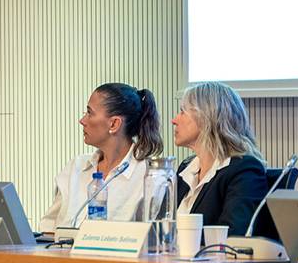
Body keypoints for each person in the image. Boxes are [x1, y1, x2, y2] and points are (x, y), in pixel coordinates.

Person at [39, 83, 163, 232]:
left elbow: (152, 242)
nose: (82, 120)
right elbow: (48, 229)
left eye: (90, 113)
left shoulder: (148, 176)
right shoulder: (76, 167)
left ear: (114, 124)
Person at [173, 81, 268, 236]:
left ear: (206, 116)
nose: (174, 120)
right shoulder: (186, 169)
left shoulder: (244, 171)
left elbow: (233, 234)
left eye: (183, 111)